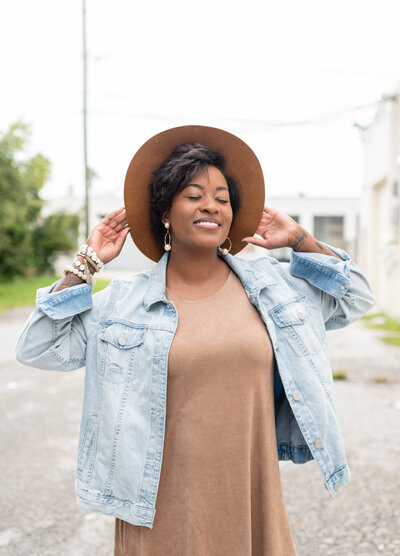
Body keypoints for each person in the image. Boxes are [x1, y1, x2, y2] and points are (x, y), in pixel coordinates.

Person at [16, 125, 375, 555]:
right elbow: (38, 346)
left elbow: (354, 296)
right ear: (165, 212)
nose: (211, 206)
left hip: (248, 497)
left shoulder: (273, 287)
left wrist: (300, 240)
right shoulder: (123, 303)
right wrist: (85, 265)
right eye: (193, 195)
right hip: (157, 506)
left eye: (222, 198)